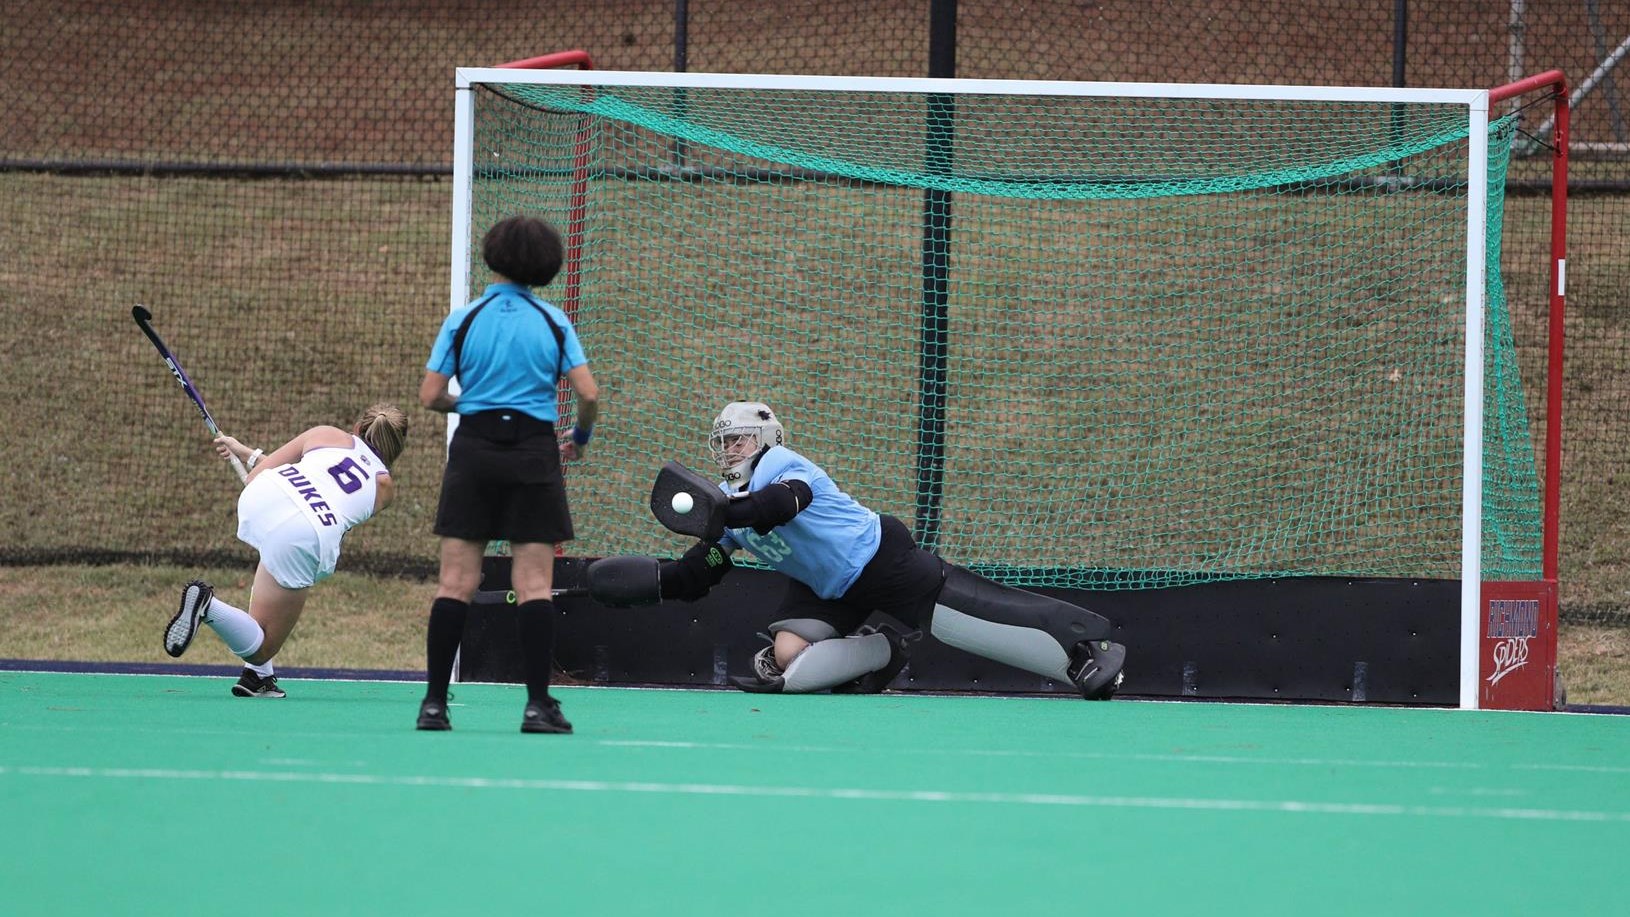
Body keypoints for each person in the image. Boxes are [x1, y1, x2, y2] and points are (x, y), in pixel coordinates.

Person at [587, 401, 1127, 699]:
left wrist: (725, 514)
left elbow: (782, 505)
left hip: (877, 559)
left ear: (766, 440)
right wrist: (657, 583)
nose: (731, 450)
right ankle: (886, 650)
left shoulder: (780, 467)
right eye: (725, 442)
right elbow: (705, 568)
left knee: (971, 617)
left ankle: (1084, 647)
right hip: (825, 588)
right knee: (787, 660)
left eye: (741, 439)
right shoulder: (728, 503)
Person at [416, 214, 599, 734]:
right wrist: (579, 439)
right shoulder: (553, 322)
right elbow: (588, 394)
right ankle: (538, 706)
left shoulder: (465, 319)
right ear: (546, 265)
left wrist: (471, 404)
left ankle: (434, 706)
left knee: (455, 582)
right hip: (533, 451)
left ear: (492, 256)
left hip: (473, 451)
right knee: (534, 584)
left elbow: (430, 395)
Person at [162, 404, 410, 698]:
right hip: (306, 532)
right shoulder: (384, 487)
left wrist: (246, 453)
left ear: (358, 427)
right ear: (397, 447)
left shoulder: (326, 433)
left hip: (267, 494)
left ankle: (257, 677)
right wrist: (245, 452)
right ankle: (207, 605)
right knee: (262, 647)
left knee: (276, 555)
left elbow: (257, 476)